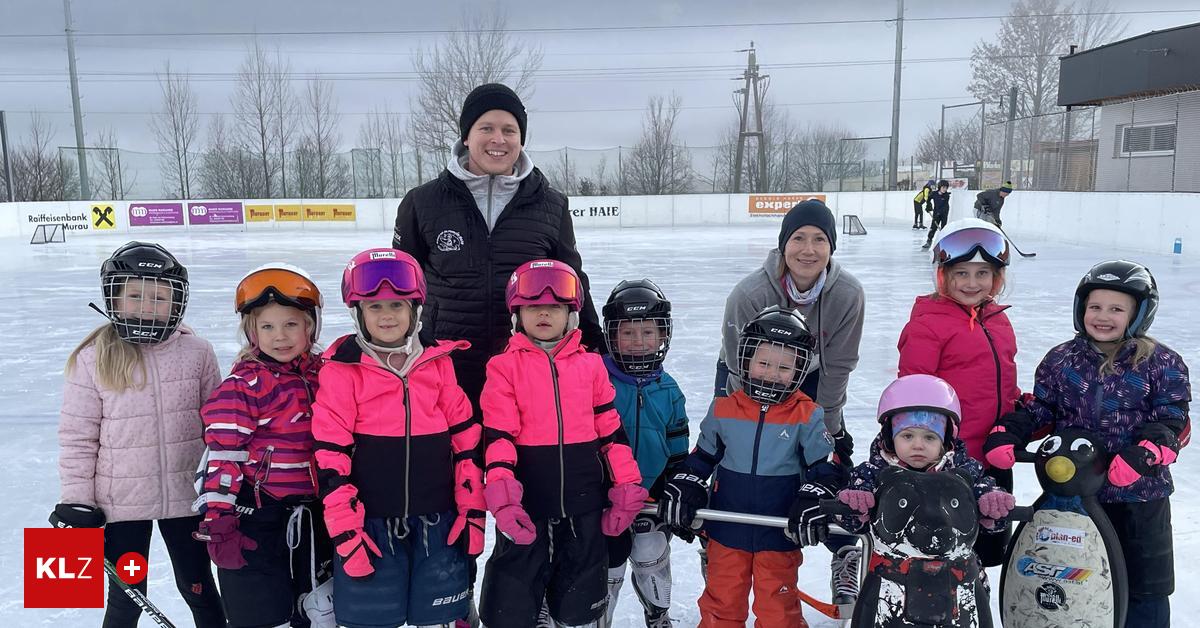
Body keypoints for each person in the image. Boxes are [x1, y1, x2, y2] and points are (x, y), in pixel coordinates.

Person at [984, 260, 1191, 628]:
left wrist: (1143, 455)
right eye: (1095, 306)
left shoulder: (1161, 364)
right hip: (1073, 497)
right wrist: (1010, 432)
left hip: (1140, 497)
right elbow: (1043, 409)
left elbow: (1172, 422)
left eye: (1116, 309)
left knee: (1145, 586)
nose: (1103, 316)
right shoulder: (1061, 359)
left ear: (1139, 314)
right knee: (1073, 579)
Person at [391, 82, 604, 417]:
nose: (498, 139)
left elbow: (572, 279)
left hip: (526, 366)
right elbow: (400, 286)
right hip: (444, 366)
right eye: (486, 128)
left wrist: (593, 340)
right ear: (466, 136)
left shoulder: (551, 204)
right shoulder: (422, 202)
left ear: (521, 139)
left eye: (509, 130)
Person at [54, 241, 226, 628]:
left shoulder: (197, 353)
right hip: (121, 506)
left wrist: (224, 489)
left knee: (199, 587)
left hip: (186, 501)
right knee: (128, 597)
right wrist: (77, 500)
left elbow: (218, 428)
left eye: (159, 297)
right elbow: (78, 437)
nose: (147, 305)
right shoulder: (94, 357)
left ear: (176, 302)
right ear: (114, 297)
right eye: (135, 295)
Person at [312, 249, 484, 628]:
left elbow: (466, 444)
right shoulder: (342, 371)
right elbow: (330, 458)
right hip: (371, 527)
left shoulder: (438, 363)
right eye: (374, 306)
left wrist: (472, 509)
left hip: (438, 526)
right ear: (358, 312)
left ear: (414, 310)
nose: (386, 315)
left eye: (396, 305)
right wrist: (346, 531)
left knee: (442, 618)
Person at [478, 260, 645, 628]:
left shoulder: (591, 366)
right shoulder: (503, 367)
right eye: (533, 306)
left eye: (554, 307)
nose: (544, 313)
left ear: (571, 315)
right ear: (517, 314)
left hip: (584, 506)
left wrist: (626, 485)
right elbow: (499, 436)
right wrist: (503, 493)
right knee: (511, 603)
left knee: (579, 603)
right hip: (528, 506)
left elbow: (611, 433)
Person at [714, 198, 864, 605]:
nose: (808, 250)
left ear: (832, 247)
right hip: (746, 375)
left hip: (813, 374)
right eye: (798, 238)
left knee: (829, 462)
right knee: (735, 455)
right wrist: (748, 426)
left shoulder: (847, 294)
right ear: (783, 244)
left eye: (819, 240)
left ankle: (844, 550)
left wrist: (829, 427)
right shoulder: (750, 293)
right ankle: (717, 540)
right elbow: (739, 366)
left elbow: (839, 365)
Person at [661, 306, 844, 628]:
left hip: (778, 531)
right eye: (764, 363)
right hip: (727, 527)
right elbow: (702, 457)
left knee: (777, 608)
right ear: (746, 360)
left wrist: (812, 497)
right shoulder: (724, 409)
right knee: (721, 602)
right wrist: (687, 483)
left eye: (784, 367)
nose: (772, 374)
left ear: (800, 370)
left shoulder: (807, 415)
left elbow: (824, 468)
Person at [195, 264, 332, 628]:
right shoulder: (243, 386)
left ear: (310, 327)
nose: (280, 336)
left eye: (291, 324)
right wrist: (219, 518)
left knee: (317, 612)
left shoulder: (325, 375)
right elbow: (223, 457)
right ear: (251, 331)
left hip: (315, 518)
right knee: (263, 613)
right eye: (267, 327)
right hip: (259, 520)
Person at [897, 218, 1020, 566]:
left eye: (982, 273)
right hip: (949, 464)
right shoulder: (927, 325)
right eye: (961, 273)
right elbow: (913, 397)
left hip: (994, 459)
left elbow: (1004, 382)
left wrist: (1022, 415)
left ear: (996, 277)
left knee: (987, 554)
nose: (972, 283)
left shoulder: (997, 319)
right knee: (944, 555)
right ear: (943, 275)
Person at [600, 279, 689, 627]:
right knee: (607, 564)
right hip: (604, 495)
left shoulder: (669, 390)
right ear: (611, 335)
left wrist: (675, 487)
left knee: (650, 549)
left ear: (663, 334)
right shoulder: (596, 380)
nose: (638, 341)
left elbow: (678, 450)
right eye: (628, 333)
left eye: (648, 332)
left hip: (651, 495)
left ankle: (658, 613)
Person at [921, 179, 952, 250]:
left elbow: (943, 206)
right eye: (943, 187)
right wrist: (928, 206)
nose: (945, 189)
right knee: (933, 228)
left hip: (944, 213)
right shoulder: (934, 193)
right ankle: (929, 241)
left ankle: (944, 242)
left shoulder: (946, 196)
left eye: (946, 188)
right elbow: (928, 199)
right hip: (936, 213)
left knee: (943, 228)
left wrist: (939, 213)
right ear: (940, 187)